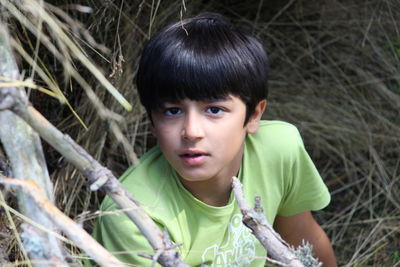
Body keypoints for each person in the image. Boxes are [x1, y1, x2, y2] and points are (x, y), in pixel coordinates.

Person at [92, 12, 337, 267]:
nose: (191, 131)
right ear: (152, 121)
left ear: (254, 115)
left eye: (214, 110)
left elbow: (302, 239)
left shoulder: (279, 148)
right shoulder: (132, 216)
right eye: (172, 111)